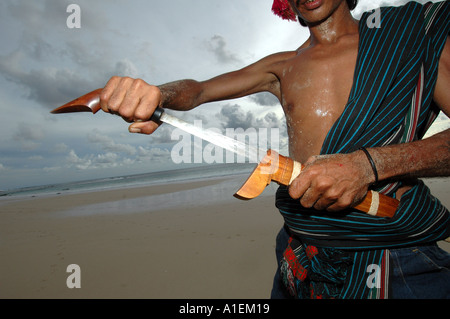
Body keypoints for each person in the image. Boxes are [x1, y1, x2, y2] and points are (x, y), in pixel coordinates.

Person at [98, 0, 450, 298]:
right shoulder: (281, 66)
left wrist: (368, 165)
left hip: (394, 247)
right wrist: (158, 95)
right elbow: (199, 91)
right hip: (299, 248)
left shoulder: (408, 38)